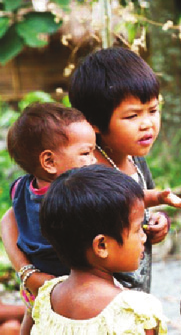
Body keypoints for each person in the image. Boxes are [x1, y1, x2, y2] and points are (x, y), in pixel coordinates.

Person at [69, 46, 181, 292]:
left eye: (153, 110)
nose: (147, 124)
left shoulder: (135, 161)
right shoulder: (84, 171)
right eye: (132, 116)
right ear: (94, 123)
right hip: (100, 301)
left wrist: (159, 223)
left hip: (138, 290)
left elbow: (141, 209)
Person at [32, 165, 167, 334]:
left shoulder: (47, 297)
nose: (144, 237)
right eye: (137, 229)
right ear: (101, 246)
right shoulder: (136, 310)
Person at [0, 102, 97, 334]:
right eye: (86, 153)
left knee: (31, 318)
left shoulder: (20, 188)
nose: (94, 160)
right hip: (69, 285)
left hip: (36, 286)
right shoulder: (73, 196)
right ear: (49, 162)